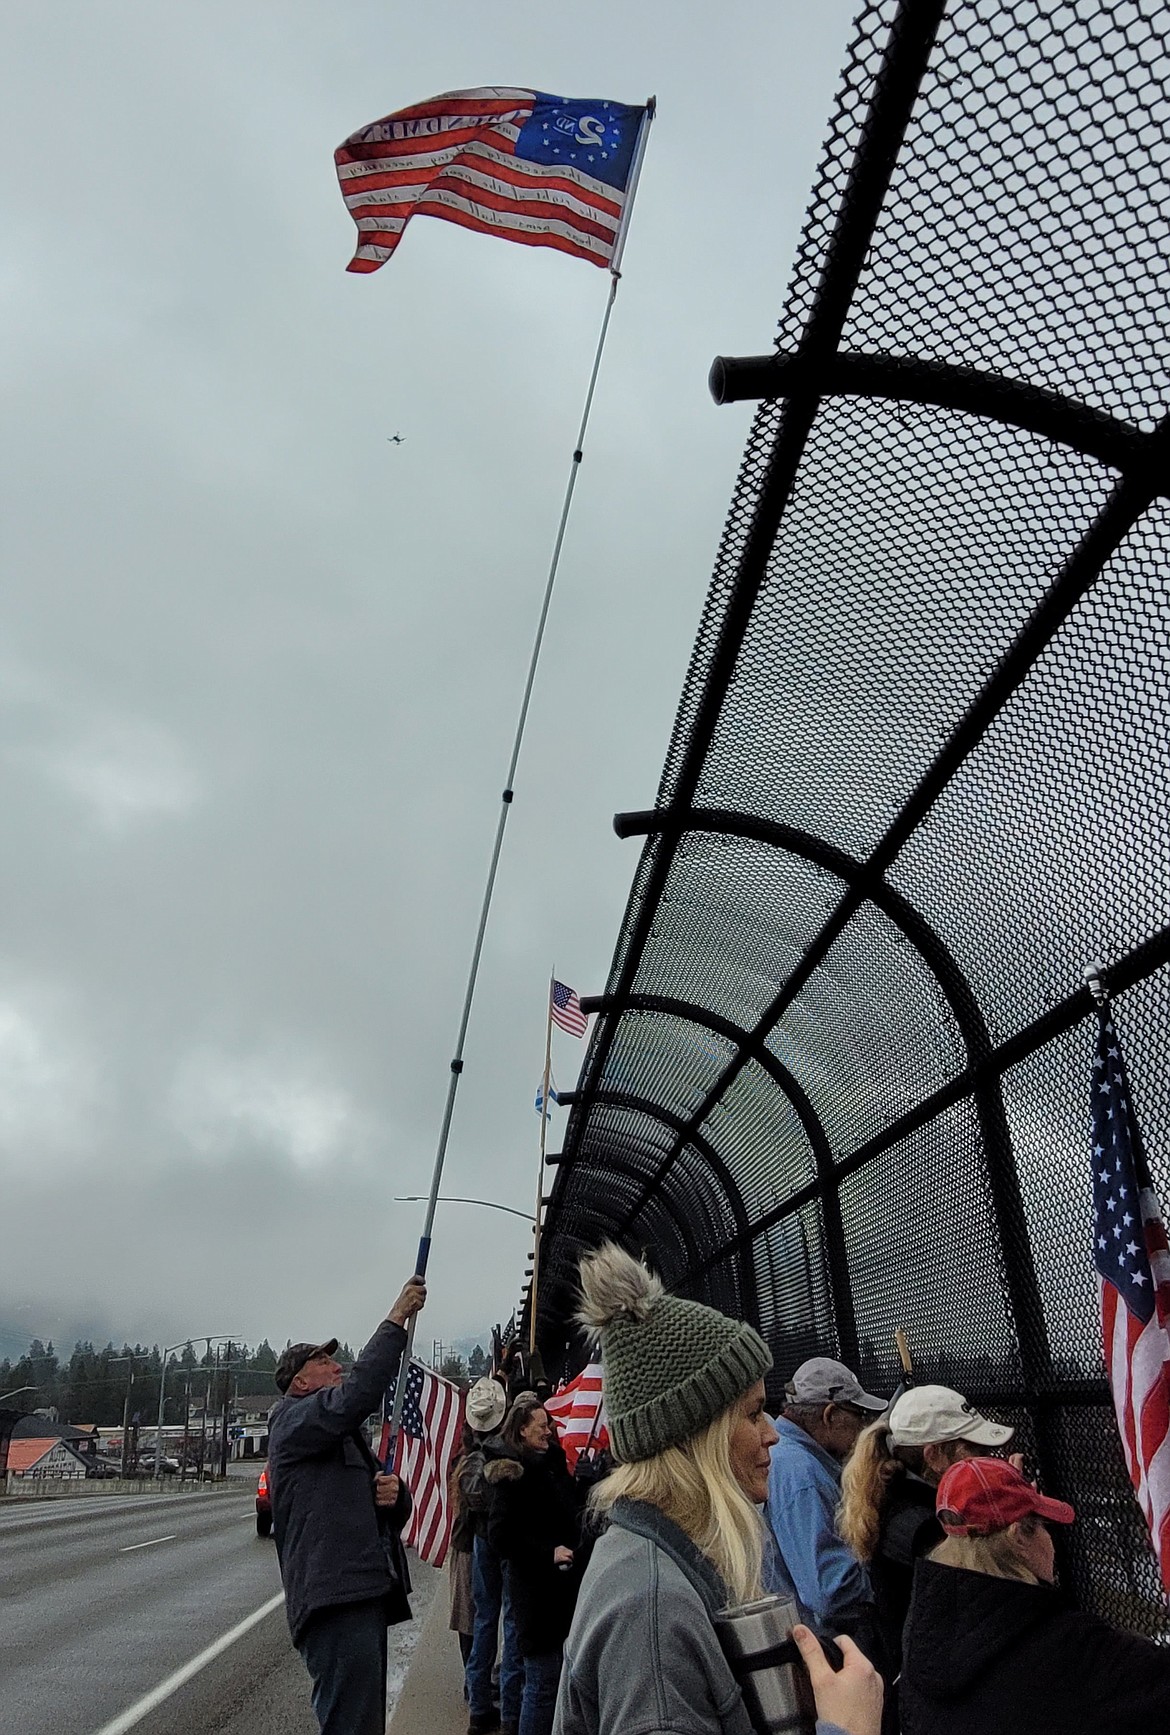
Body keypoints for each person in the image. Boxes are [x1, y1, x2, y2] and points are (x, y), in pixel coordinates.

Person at [554, 1243, 883, 1735]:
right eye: (752, 1414)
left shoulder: (658, 1562)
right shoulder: (652, 1615)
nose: (772, 1432)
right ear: (695, 1440)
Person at [900, 1455, 1170, 1734]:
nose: (1050, 1540)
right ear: (1018, 1536)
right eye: (1042, 1525)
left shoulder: (922, 1632)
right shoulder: (1068, 1646)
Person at [267, 1274, 426, 1735]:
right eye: (322, 1360)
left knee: (363, 1724)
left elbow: (384, 1505)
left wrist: (395, 1496)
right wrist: (396, 1319)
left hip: (357, 1596)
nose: (335, 1365)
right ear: (299, 1381)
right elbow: (358, 1395)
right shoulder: (294, 1422)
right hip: (334, 1603)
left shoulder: (337, 1435)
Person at [838, 1385, 1015, 1678]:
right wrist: (1008, 1516)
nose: (989, 1459)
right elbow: (985, 1598)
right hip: (942, 1677)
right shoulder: (922, 1527)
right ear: (934, 1457)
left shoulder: (900, 1504)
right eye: (975, 1450)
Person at [764, 1357, 886, 1648]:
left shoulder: (785, 1455)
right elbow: (830, 1593)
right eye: (859, 1415)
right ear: (830, 1415)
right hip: (823, 1648)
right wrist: (886, 1578)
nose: (864, 1428)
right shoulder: (801, 1473)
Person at [487, 1392, 584, 1735]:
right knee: (542, 1685)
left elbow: (571, 1517)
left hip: (563, 1594)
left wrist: (587, 1484)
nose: (549, 1430)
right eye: (542, 1426)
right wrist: (547, 1552)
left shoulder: (554, 1464)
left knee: (560, 1683)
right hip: (536, 1595)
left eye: (548, 1424)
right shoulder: (512, 1475)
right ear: (524, 1430)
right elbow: (500, 1537)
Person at [460, 1375, 524, 1735]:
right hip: (508, 1543)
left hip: (483, 1540)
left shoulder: (471, 1458)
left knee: (485, 1621)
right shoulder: (511, 1454)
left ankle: (479, 1706)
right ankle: (511, 1712)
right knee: (512, 1622)